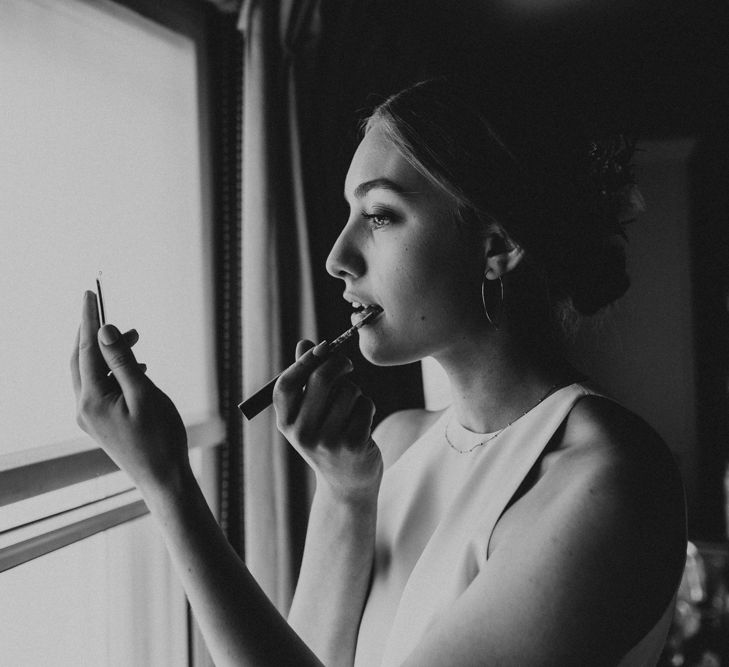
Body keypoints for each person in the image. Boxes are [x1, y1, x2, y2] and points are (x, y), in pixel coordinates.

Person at [71, 79, 687, 666]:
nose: (337, 258)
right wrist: (345, 496)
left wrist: (169, 485)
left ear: (496, 246)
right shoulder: (391, 445)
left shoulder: (607, 482)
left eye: (381, 215)